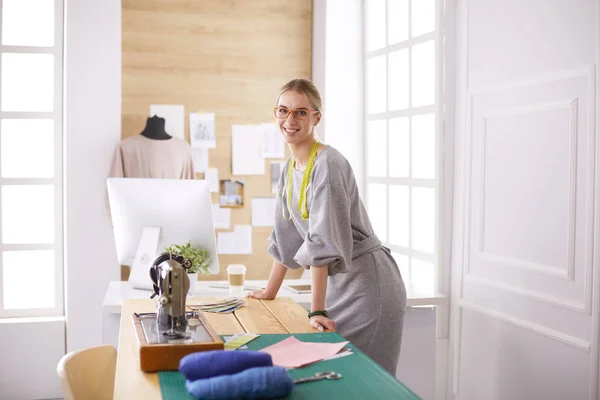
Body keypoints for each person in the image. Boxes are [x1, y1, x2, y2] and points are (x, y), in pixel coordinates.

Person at [249, 78, 407, 375]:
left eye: (300, 112)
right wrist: (270, 291)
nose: (289, 120)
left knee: (363, 381)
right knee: (334, 378)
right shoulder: (288, 167)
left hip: (367, 286)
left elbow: (320, 242)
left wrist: (317, 309)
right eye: (283, 111)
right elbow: (288, 236)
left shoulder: (328, 164)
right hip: (339, 284)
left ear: (316, 117)